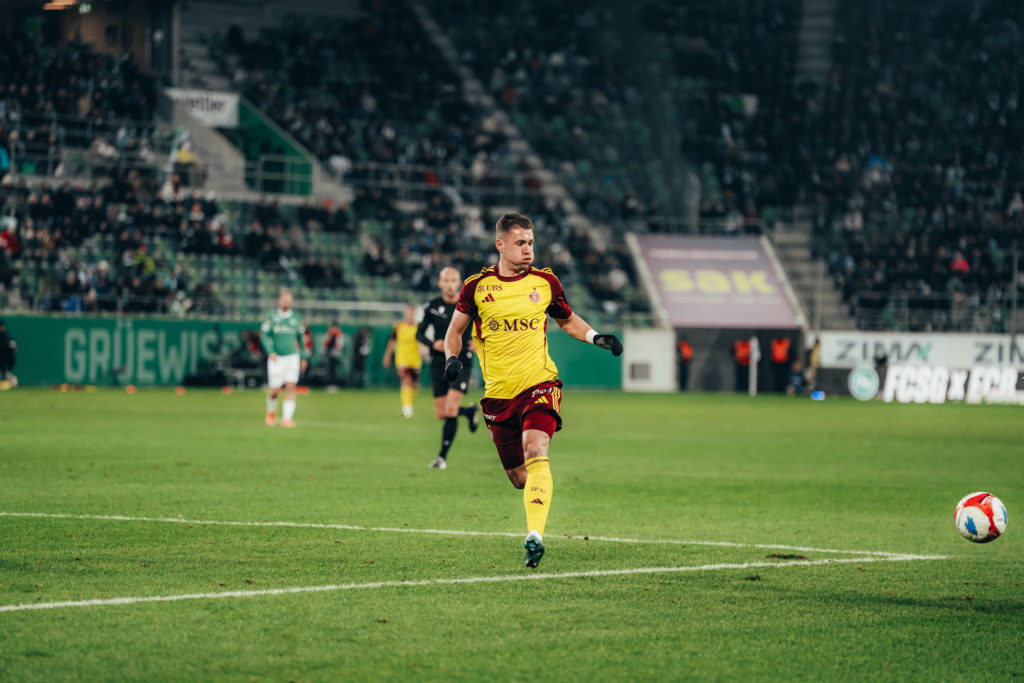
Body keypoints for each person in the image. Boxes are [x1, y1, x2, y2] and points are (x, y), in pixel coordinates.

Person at [443, 212, 623, 568]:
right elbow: (455, 331)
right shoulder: (477, 287)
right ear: (500, 245)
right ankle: (541, 494)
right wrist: (452, 358)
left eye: (531, 243)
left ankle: (534, 537)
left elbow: (567, 320)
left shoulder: (545, 282)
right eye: (520, 243)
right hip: (498, 396)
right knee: (518, 477)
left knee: (536, 448)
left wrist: (596, 337)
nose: (528, 250)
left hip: (540, 384)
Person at [416, 266, 480, 470]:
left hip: (461, 360)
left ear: (459, 282)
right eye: (446, 280)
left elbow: (486, 325)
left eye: (454, 280)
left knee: (451, 409)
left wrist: (480, 341)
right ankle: (469, 411)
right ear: (440, 283)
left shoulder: (469, 304)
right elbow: (419, 333)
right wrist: (431, 343)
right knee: (442, 413)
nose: (450, 285)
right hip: (438, 361)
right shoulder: (432, 306)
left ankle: (441, 458)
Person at [260, 289, 309, 427]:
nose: (287, 301)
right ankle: (271, 411)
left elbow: (301, 339)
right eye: (284, 298)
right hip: (277, 358)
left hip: (292, 356)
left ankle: (287, 418)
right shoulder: (271, 316)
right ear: (279, 300)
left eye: (289, 299)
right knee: (275, 390)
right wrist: (270, 351)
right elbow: (264, 337)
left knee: (291, 386)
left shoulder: (297, 318)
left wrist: (303, 357)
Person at [383, 304, 424, 418]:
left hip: (415, 360)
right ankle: (406, 408)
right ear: (405, 314)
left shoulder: (419, 327)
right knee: (406, 380)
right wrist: (387, 356)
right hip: (402, 359)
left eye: (412, 313)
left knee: (414, 385)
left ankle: (409, 405)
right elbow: (392, 342)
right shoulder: (399, 326)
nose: (410, 315)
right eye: (408, 312)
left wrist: (423, 349)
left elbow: (422, 342)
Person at [323, 321, 345, 390]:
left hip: (333, 354)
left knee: (333, 370)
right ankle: (332, 384)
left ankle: (333, 384)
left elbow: (327, 343)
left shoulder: (334, 333)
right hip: (334, 354)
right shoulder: (337, 333)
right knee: (332, 370)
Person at [0, 319, 17, 386]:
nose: (2, 328)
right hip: (1, 358)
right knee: (2, 371)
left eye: (2, 326)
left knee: (5, 372)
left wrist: (14, 346)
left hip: (7, 358)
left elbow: (12, 343)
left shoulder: (7, 335)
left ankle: (8, 378)